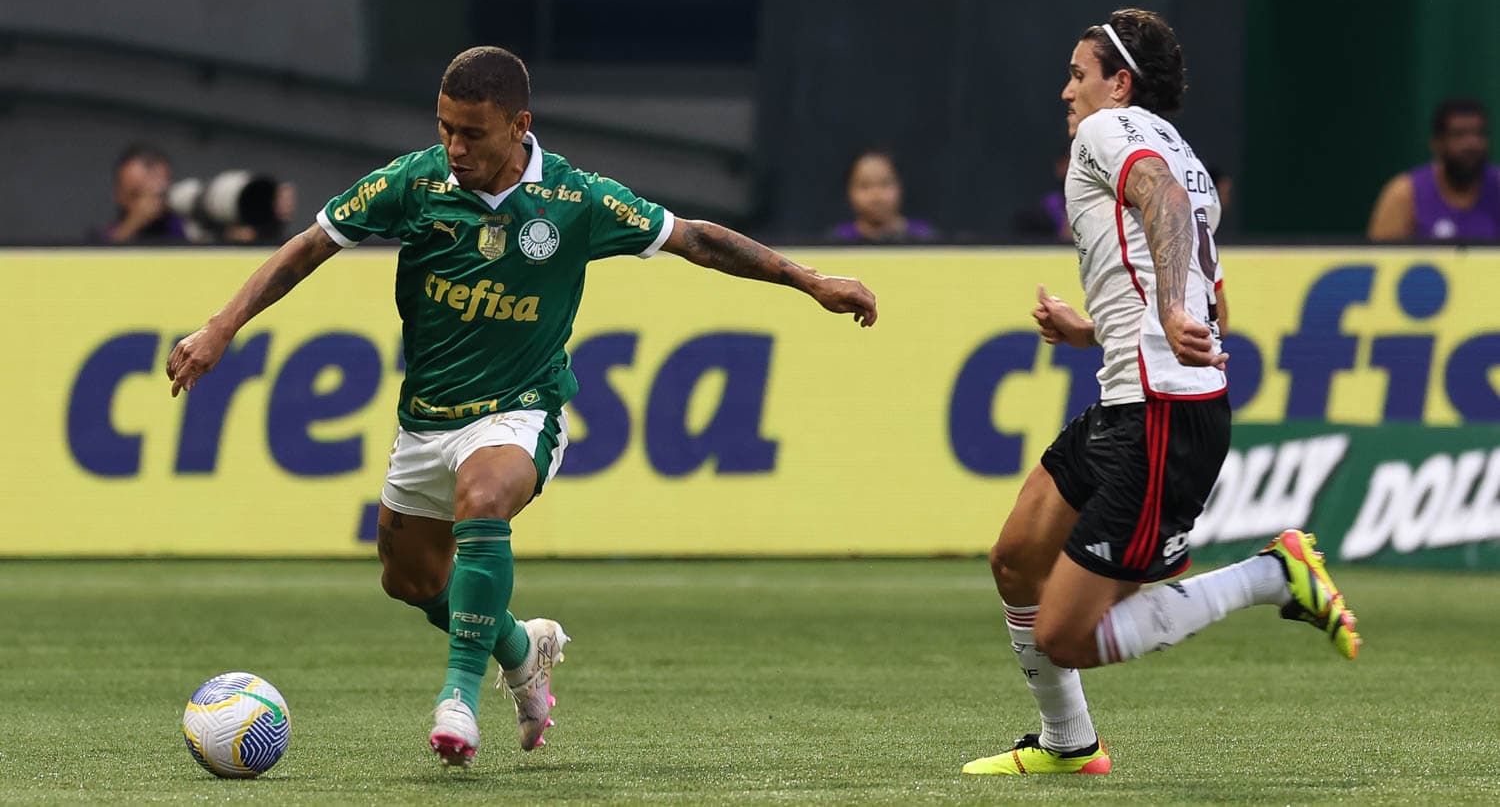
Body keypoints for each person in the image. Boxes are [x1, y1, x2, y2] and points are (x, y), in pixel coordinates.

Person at [165, 45, 878, 769]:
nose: (454, 147)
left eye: (472, 133)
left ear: (519, 125)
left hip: (522, 408)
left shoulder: (578, 200)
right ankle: (521, 648)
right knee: (409, 580)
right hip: (428, 417)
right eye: (445, 127)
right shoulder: (411, 184)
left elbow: (695, 238)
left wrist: (810, 280)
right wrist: (222, 325)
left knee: (483, 497)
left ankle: (457, 700)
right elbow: (309, 247)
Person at [962, 8, 1357, 777]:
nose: (1065, 91)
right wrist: (1101, 330)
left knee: (1068, 635)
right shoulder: (1187, 155)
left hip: (1163, 416)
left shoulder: (1109, 131)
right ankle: (1070, 745)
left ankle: (1272, 575)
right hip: (1134, 400)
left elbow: (1163, 208)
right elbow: (1211, 292)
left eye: (1078, 75)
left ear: (1119, 83)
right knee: (1016, 560)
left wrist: (1171, 308)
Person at [1368, 98, 1500, 240]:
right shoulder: (1405, 194)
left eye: (1479, 134)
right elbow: (1381, 257)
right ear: (1437, 143)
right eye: (1459, 135)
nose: (1472, 143)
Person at [831, 150, 939, 242]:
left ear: (900, 186)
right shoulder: (836, 240)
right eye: (865, 185)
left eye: (885, 183)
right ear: (850, 191)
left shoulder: (924, 237)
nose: (876, 195)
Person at [96, 144, 188, 242]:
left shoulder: (187, 230)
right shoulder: (99, 238)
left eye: (159, 194)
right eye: (137, 195)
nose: (149, 202)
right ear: (118, 194)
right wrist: (132, 225)